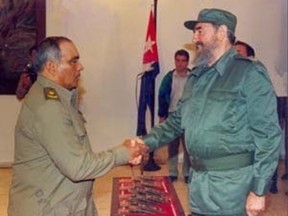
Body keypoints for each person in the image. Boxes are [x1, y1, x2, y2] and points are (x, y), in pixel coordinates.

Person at [134, 8, 282, 216]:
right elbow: (177, 121)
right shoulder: (197, 77)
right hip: (199, 182)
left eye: (200, 30)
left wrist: (259, 190)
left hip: (232, 185)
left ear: (222, 32)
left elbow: (268, 135)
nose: (194, 37)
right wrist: (145, 143)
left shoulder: (249, 73)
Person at [8, 36, 147, 216]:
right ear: (51, 67)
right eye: (73, 61)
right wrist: (123, 153)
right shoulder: (48, 107)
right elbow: (78, 167)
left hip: (69, 204)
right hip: (47, 208)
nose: (80, 67)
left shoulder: (62, 98)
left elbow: (76, 154)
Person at [234, 40, 280, 194]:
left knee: (264, 152)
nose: (235, 55)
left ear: (251, 57)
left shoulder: (255, 72)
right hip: (243, 134)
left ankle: (268, 184)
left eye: (239, 52)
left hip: (258, 126)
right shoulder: (236, 73)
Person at [158, 49, 191, 183]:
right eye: (177, 60)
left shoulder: (193, 77)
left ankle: (187, 173)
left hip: (188, 115)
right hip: (172, 115)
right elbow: (162, 96)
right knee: (172, 146)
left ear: (187, 62)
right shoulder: (169, 77)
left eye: (183, 61)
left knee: (188, 146)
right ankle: (172, 172)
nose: (180, 63)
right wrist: (162, 115)